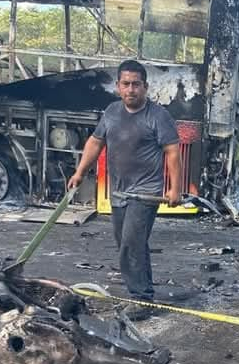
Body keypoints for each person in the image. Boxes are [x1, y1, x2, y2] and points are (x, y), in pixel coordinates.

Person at [67, 59, 181, 305]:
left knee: (131, 243)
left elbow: (172, 152)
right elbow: (95, 142)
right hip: (119, 192)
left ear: (145, 87)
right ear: (118, 86)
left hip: (146, 193)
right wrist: (79, 172)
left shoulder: (158, 116)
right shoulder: (111, 112)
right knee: (127, 244)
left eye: (136, 84)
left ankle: (141, 298)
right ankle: (143, 290)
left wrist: (175, 189)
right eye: (126, 84)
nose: (131, 89)